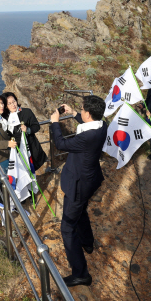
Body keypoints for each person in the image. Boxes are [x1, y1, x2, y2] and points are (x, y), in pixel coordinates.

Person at [49, 95, 108, 287]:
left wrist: (55, 122)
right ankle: (87, 242)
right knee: (81, 210)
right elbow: (88, 121)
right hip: (90, 180)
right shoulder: (102, 125)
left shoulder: (86, 137)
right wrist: (74, 114)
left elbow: (61, 144)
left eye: (82, 109)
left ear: (89, 113)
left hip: (78, 184)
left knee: (67, 227)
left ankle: (81, 273)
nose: (80, 111)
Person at [2, 92, 48, 171]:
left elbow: (36, 126)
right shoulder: (4, 117)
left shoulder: (27, 112)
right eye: (9, 103)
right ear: (6, 106)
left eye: (14, 101)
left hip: (30, 146)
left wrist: (28, 130)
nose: (13, 105)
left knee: (32, 169)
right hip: (15, 149)